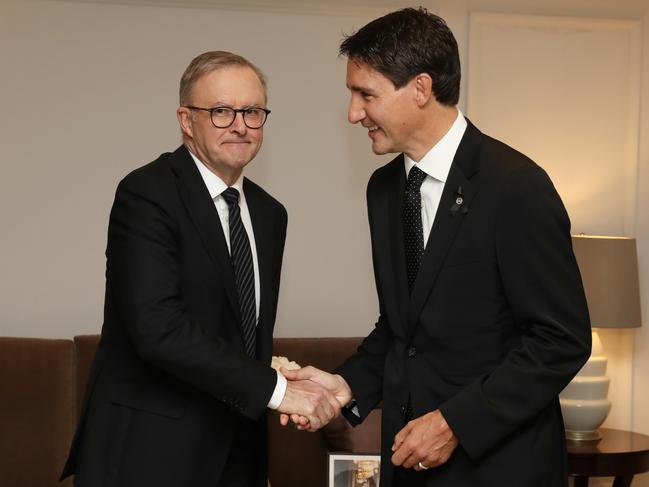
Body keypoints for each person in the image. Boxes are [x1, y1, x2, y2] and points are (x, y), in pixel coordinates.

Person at [283, 8, 591, 487]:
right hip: (408, 464)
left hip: (500, 467)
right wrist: (344, 385)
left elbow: (560, 341)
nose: (353, 113)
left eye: (366, 94)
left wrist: (455, 424)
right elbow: (402, 327)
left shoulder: (516, 187)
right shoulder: (384, 189)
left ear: (421, 89)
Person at [61, 50, 340, 487]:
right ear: (186, 120)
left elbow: (238, 330)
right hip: (150, 453)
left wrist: (276, 381)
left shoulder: (270, 214)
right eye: (221, 111)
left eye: (252, 111)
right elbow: (157, 327)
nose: (240, 125)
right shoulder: (147, 194)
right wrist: (280, 392)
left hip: (239, 449)